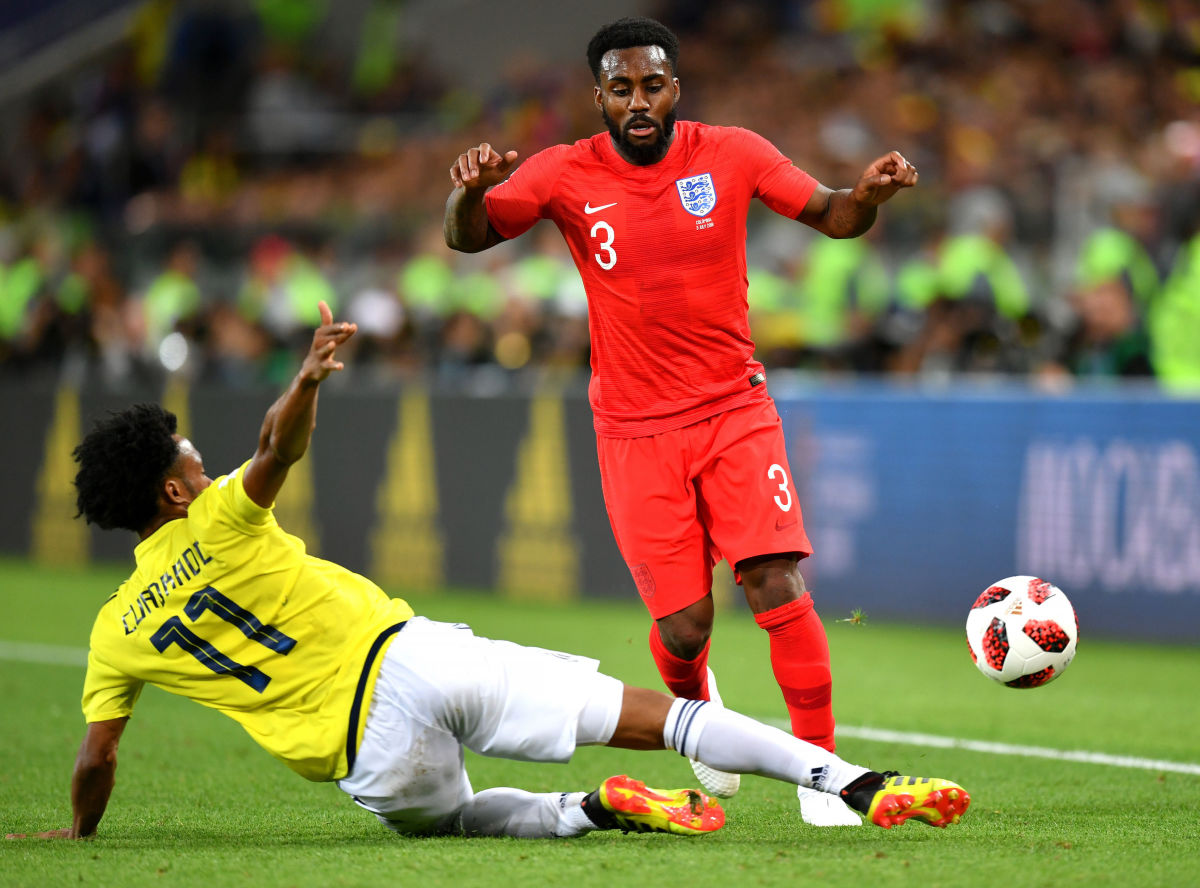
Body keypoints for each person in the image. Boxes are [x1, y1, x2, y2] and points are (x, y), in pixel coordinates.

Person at [7, 302, 970, 841]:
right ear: (176, 495)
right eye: (187, 459)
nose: (200, 463)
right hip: (415, 661)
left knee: (459, 820)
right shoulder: (220, 516)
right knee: (662, 718)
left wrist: (82, 836)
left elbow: (97, 760)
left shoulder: (113, 630)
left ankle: (590, 812)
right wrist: (304, 382)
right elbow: (275, 451)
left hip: (370, 765)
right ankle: (849, 781)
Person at [444, 17, 921, 825]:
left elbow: (835, 216)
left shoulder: (731, 152)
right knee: (685, 624)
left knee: (775, 581)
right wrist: (465, 187)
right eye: (621, 88)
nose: (639, 102)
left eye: (653, 85)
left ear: (676, 89)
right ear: (598, 96)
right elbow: (468, 237)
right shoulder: (563, 172)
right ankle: (699, 716)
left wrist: (867, 196)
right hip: (633, 431)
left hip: (735, 407)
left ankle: (828, 775)